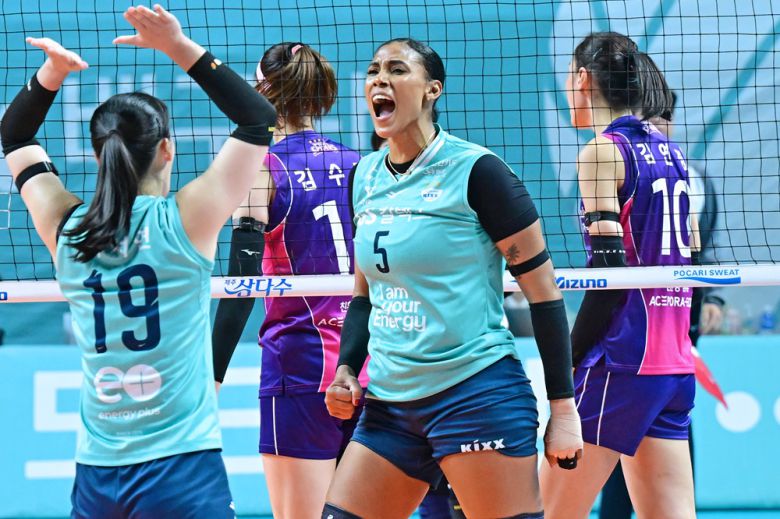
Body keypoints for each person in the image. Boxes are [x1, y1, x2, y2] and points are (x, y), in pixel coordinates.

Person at [0, 5, 275, 517]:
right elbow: (258, 118)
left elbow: (15, 137)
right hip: (181, 469)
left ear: (98, 154)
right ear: (167, 150)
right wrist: (177, 46)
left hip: (97, 473)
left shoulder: (67, 229)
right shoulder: (186, 220)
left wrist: (51, 74)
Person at [322, 37, 583, 519]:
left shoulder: (479, 172)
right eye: (374, 70)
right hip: (390, 405)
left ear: (432, 90)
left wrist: (563, 410)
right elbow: (365, 295)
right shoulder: (364, 177)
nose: (379, 79)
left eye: (397, 70)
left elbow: (545, 297)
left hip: (474, 393)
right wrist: (346, 369)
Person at [539, 32, 700, 519]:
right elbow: (692, 256)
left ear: (582, 79)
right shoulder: (673, 154)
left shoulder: (602, 151)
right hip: (672, 366)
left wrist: (566, 360)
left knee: (545, 513)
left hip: (620, 363)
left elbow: (609, 273)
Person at [210, 42, 368, 519]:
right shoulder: (360, 164)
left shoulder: (261, 167)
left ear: (260, 90)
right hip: (367, 364)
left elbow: (241, 285)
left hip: (299, 368)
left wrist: (211, 376)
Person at [598, 92, 725, 519]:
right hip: (633, 331)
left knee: (672, 427)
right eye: (650, 117)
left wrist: (710, 297)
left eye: (664, 117)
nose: (656, 126)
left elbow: (699, 247)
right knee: (624, 435)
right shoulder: (615, 163)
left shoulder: (688, 173)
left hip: (677, 331)